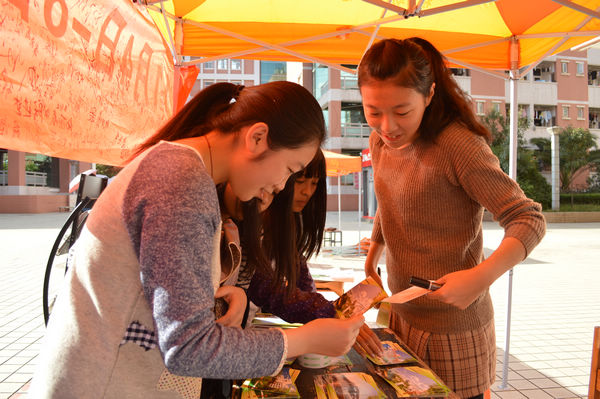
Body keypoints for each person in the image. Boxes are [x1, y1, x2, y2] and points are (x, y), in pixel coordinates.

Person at [31, 81, 363, 398]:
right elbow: (188, 347)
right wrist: (304, 340)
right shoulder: (180, 181)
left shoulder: (181, 172)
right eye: (290, 169)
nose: (281, 186)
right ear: (258, 137)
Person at [355, 38, 546, 399]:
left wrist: (480, 276)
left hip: (454, 328)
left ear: (428, 95)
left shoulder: (457, 145)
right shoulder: (380, 141)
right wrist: (373, 256)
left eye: (402, 111)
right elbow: (389, 196)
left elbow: (529, 218)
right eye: (373, 110)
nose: (388, 125)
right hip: (402, 311)